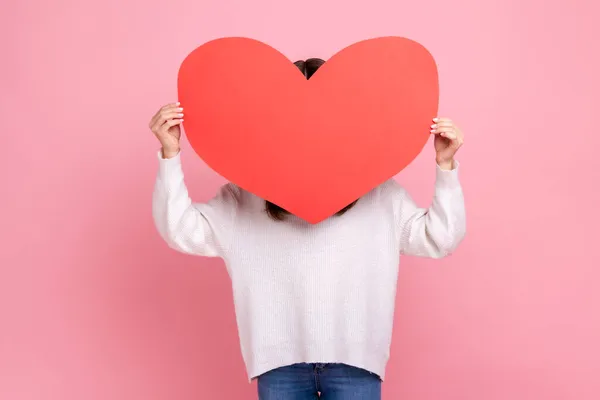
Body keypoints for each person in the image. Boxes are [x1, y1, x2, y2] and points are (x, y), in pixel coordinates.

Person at [149, 57, 466, 400]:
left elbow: (441, 238)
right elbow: (180, 229)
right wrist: (170, 154)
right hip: (279, 366)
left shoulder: (379, 193)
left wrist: (445, 166)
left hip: (356, 364)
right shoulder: (245, 196)